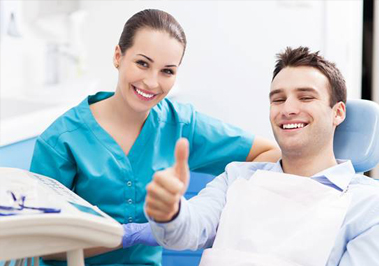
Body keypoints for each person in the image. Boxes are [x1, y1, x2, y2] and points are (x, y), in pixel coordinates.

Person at [29, 9, 280, 266]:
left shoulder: (180, 124)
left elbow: (270, 155)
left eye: (167, 71)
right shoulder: (62, 140)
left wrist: (203, 210)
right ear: (118, 56)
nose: (151, 82)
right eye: (142, 63)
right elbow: (41, 244)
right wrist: (126, 236)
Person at [145, 47, 379, 266]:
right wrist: (170, 211)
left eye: (306, 97)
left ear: (338, 113)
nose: (288, 109)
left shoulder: (374, 208)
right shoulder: (237, 177)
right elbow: (186, 231)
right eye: (278, 100)